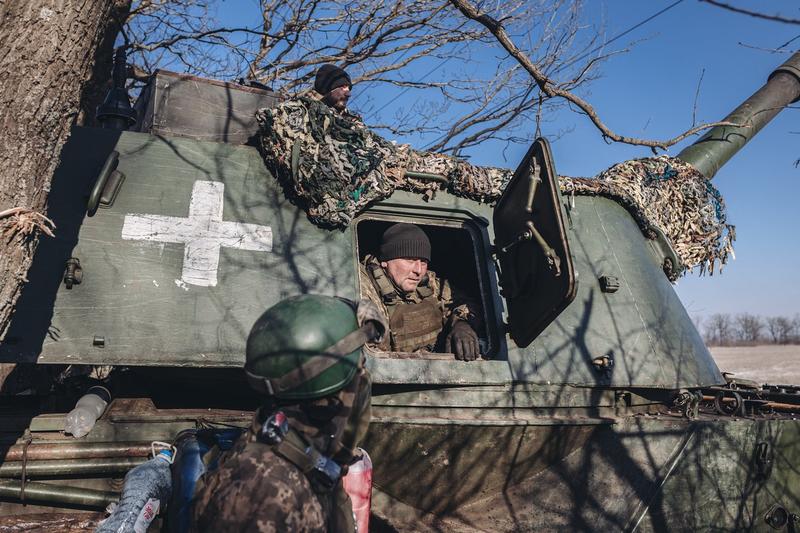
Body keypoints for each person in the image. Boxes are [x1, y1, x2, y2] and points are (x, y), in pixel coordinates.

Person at [190, 295, 386, 532]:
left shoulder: (309, 458)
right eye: (360, 372)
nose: (363, 382)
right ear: (333, 394)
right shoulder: (262, 497)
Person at [360, 223, 482, 361]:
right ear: (385, 261)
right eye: (410, 259)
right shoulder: (362, 288)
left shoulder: (429, 283)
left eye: (423, 261)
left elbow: (465, 303)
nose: (418, 270)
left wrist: (461, 323)